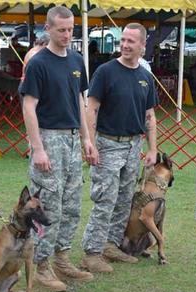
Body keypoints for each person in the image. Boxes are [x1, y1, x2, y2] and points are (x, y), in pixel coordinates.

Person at [19, 5, 96, 292]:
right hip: (48, 137)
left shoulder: (76, 60)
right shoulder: (38, 63)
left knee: (72, 203)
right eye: (61, 30)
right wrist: (37, 148)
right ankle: (41, 265)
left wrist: (86, 138)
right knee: (48, 205)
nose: (67, 34)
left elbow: (79, 100)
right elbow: (28, 106)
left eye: (71, 29)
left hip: (71, 137)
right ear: (48, 29)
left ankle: (62, 257)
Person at [80, 22, 158, 273]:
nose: (124, 45)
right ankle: (92, 252)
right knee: (105, 199)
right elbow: (91, 108)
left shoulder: (146, 77)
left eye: (131, 41)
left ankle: (111, 245)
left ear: (143, 46)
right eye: (122, 40)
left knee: (124, 200)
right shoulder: (105, 72)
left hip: (133, 146)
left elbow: (150, 116)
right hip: (107, 144)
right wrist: (89, 142)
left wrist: (153, 149)